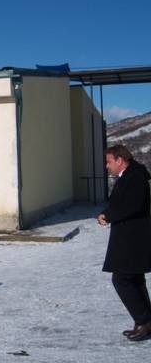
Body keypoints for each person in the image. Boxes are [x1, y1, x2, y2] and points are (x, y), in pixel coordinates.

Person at [98, 144, 151, 341]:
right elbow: (123, 203)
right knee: (134, 279)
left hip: (133, 239)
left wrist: (108, 216)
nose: (107, 166)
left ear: (120, 160)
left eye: (108, 161)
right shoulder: (131, 175)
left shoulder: (135, 177)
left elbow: (132, 205)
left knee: (122, 280)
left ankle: (143, 321)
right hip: (130, 237)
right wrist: (107, 214)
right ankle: (145, 322)